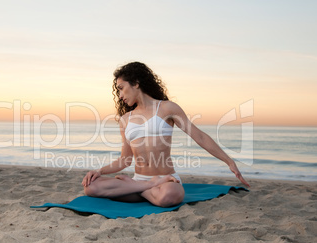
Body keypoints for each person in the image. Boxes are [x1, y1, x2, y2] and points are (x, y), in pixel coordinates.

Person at [82, 62, 250, 207]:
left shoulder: (167, 108)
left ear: (136, 83)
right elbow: (125, 160)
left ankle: (140, 188)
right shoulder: (125, 119)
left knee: (169, 195)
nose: (119, 96)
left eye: (121, 88)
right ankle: (147, 186)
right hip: (140, 179)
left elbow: (199, 136)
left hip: (166, 180)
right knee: (91, 187)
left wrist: (229, 161)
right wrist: (99, 171)